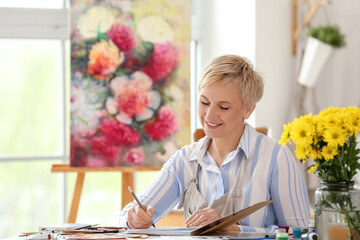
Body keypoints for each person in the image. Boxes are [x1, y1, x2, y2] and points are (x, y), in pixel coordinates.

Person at [119, 54, 310, 233]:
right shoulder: (185, 160)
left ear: (248, 110)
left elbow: (299, 233)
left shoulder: (275, 158)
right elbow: (127, 216)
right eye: (204, 102)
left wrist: (236, 229)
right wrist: (134, 219)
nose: (209, 116)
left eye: (223, 107)